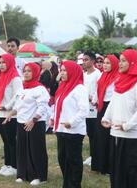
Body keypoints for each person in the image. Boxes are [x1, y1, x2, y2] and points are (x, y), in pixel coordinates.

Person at [101, 50, 137, 188]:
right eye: (120, 60)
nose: (120, 63)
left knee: (130, 173)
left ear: (133, 62)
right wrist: (106, 117)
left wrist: (128, 125)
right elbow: (113, 102)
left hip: (131, 136)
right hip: (115, 133)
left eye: (124, 60)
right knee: (117, 171)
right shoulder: (119, 80)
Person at [4, 63, 49, 185]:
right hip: (21, 122)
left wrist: (33, 120)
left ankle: (39, 176)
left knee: (35, 150)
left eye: (29, 71)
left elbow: (43, 107)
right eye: (24, 71)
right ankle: (23, 174)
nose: (26, 73)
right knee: (22, 149)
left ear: (35, 73)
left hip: (35, 123)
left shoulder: (40, 89)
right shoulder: (23, 88)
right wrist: (10, 114)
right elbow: (18, 105)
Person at [53, 60, 89, 188]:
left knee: (73, 161)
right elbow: (59, 106)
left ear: (73, 71)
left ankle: (74, 185)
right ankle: (67, 184)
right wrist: (54, 119)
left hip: (74, 131)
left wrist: (72, 122)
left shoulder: (79, 88)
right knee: (62, 159)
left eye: (65, 70)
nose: (62, 73)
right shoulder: (63, 86)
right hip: (62, 130)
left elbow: (84, 110)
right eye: (61, 70)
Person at [0, 54, 23, 177]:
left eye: (4, 62)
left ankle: (15, 166)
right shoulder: (0, 76)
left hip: (11, 114)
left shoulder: (15, 78)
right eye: (0, 62)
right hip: (0, 112)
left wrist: (7, 106)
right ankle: (7, 164)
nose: (1, 65)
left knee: (12, 140)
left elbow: (18, 95)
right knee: (5, 140)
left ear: (10, 63)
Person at [92, 54, 119, 174]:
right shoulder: (103, 76)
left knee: (109, 138)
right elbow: (98, 91)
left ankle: (109, 166)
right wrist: (95, 100)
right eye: (104, 63)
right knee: (100, 137)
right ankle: (100, 165)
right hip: (101, 107)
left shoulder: (117, 77)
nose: (105, 65)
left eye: (108, 63)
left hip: (111, 108)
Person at [82, 51, 102, 166]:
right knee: (90, 133)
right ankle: (92, 155)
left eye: (87, 59)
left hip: (94, 108)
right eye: (83, 60)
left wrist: (92, 98)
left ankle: (97, 157)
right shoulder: (84, 74)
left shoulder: (97, 74)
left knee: (96, 134)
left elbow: (99, 89)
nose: (84, 62)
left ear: (93, 61)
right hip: (86, 109)